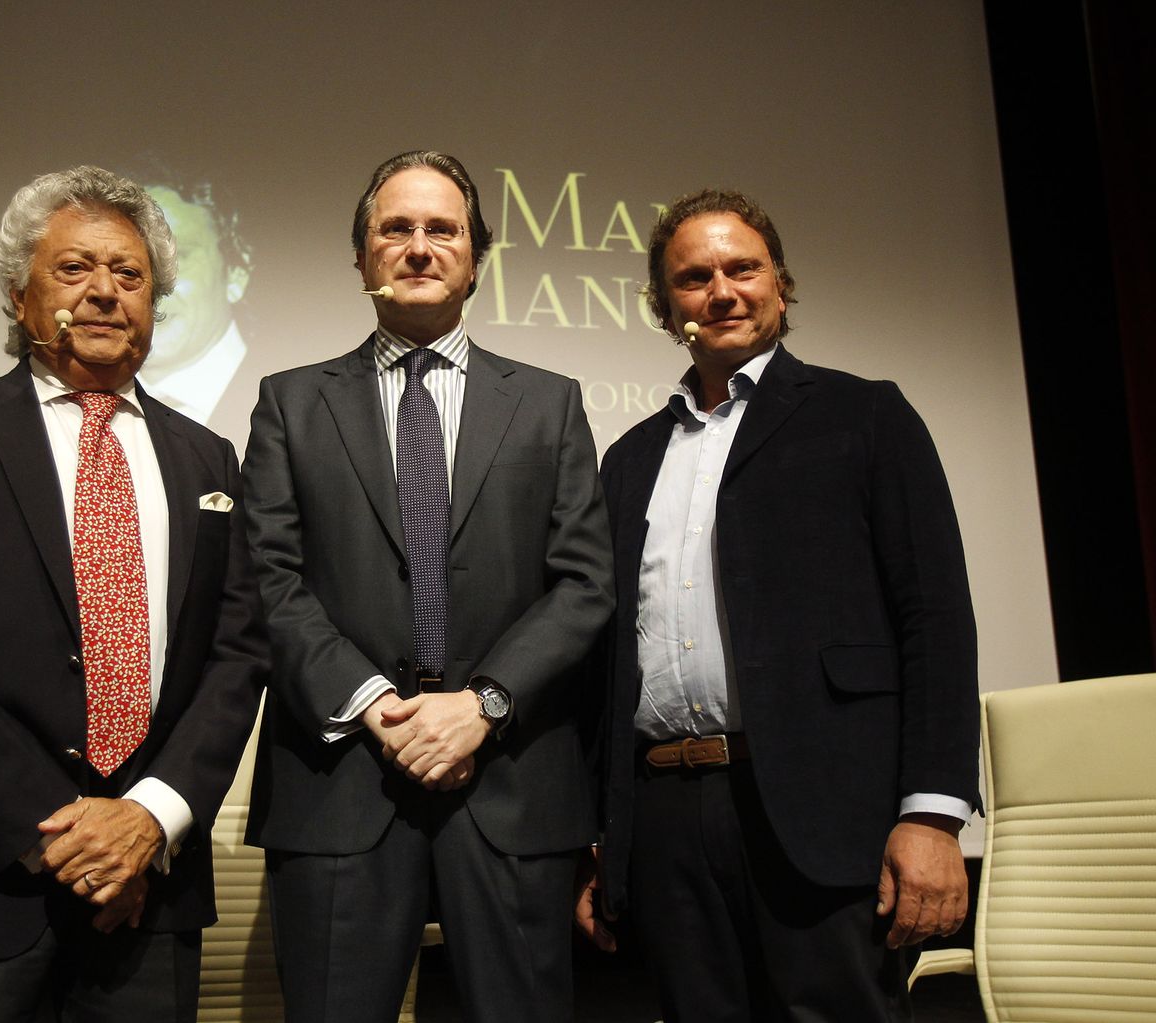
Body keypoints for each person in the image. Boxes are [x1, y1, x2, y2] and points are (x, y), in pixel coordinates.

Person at [0, 165, 269, 1022]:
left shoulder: (207, 459)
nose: (105, 291)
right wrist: (64, 830)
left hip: (146, 894)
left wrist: (148, 819)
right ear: (18, 295)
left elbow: (235, 655)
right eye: (74, 268)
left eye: (129, 274)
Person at [575, 188, 980, 1021]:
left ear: (781, 285)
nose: (722, 291)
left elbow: (935, 619)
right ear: (665, 308)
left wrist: (934, 814)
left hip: (824, 811)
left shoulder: (865, 414)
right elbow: (605, 659)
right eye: (694, 278)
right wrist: (602, 833)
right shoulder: (628, 458)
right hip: (667, 820)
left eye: (743, 268)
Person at [242, 150, 613, 1022]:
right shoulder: (289, 403)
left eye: (442, 229)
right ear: (361, 256)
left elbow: (584, 582)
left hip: (513, 784)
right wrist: (375, 703)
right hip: (341, 782)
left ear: (475, 258)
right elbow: (267, 578)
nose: (418, 246)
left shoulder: (550, 403)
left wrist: (482, 703)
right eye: (395, 228)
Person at [136, 180, 253, 428]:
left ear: (236, 273)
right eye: (130, 263)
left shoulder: (295, 406)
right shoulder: (84, 407)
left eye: (178, 258)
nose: (151, 284)